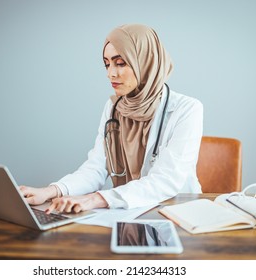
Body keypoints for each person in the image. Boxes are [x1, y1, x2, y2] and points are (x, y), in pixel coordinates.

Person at [20, 24, 203, 213]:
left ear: (145, 61)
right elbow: (96, 168)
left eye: (120, 63)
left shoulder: (187, 109)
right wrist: (51, 191)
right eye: (107, 64)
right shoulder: (114, 107)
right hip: (130, 212)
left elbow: (165, 181)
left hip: (178, 213)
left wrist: (95, 199)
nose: (111, 73)